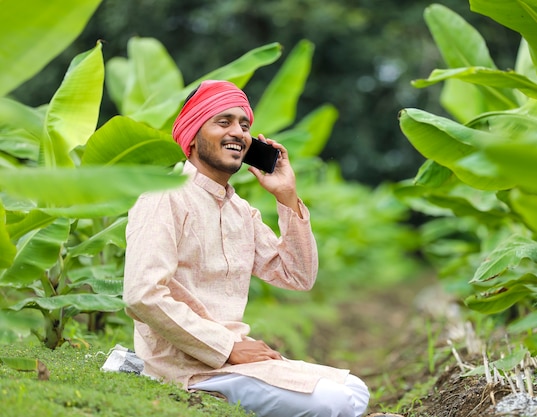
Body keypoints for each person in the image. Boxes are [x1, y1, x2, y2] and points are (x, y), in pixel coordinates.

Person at [123, 80, 370, 417]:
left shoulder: (240, 211)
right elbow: (142, 294)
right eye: (223, 122)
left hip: (236, 362)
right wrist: (227, 348)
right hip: (187, 367)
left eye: (244, 125)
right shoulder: (164, 197)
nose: (238, 132)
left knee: (355, 389)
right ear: (192, 137)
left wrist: (287, 196)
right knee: (335, 402)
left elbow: (297, 276)